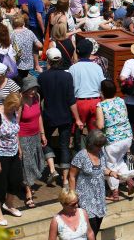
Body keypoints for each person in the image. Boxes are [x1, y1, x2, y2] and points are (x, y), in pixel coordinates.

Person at [39, 48, 82, 188]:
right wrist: (77, 119)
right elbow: (71, 101)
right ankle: (64, 179)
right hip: (65, 116)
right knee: (64, 146)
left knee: (45, 141)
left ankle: (52, 170)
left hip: (49, 115)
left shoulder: (42, 77)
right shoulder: (67, 76)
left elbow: (40, 99)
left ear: (49, 61)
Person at [69, 130, 118, 236]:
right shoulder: (81, 155)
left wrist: (110, 173)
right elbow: (72, 176)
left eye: (102, 145)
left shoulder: (101, 153)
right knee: (91, 229)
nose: (100, 147)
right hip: (85, 197)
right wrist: (73, 195)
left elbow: (102, 169)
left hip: (99, 197)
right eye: (98, 145)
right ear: (91, 144)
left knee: (96, 227)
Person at [0, 92, 24, 226]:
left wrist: (19, 148)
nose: (15, 110)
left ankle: (9, 204)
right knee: (0, 184)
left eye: (17, 107)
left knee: (16, 180)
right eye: (13, 107)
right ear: (7, 103)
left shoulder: (14, 113)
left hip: (12, 152)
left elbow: (15, 131)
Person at [96, 79, 134, 202]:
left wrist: (94, 122)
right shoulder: (121, 101)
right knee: (119, 160)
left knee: (110, 165)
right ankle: (128, 180)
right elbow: (125, 116)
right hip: (127, 137)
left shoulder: (101, 105)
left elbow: (101, 125)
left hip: (112, 141)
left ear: (102, 92)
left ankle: (115, 193)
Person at [19, 76, 47, 209]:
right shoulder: (20, 101)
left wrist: (43, 134)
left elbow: (39, 116)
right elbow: (16, 123)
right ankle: (28, 193)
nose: (33, 91)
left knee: (35, 162)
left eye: (35, 88)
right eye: (30, 89)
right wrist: (17, 143)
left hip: (35, 135)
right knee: (27, 164)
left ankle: (26, 184)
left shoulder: (37, 97)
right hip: (23, 137)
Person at [69, 39, 105, 132]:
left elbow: (71, 87)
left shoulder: (73, 68)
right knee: (95, 133)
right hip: (95, 101)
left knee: (77, 130)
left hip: (80, 102)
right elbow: (102, 85)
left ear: (77, 51)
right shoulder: (97, 67)